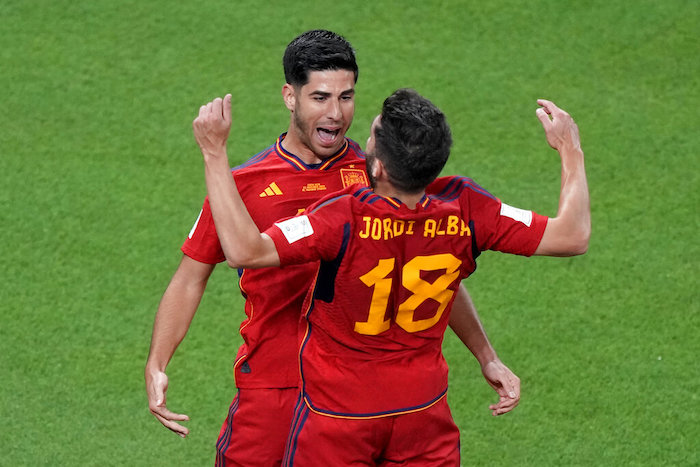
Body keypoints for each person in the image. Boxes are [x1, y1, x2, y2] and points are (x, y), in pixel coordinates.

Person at [146, 31, 521, 466]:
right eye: (320, 97)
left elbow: (432, 269)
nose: (336, 113)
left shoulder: (380, 177)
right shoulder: (241, 186)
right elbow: (190, 276)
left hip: (358, 394)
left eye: (346, 97)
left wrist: (486, 355)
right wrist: (157, 362)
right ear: (290, 97)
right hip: (274, 387)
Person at [194, 88, 589, 465]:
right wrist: (570, 149)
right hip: (423, 417)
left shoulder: (340, 217)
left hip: (338, 419)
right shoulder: (467, 209)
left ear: (379, 166)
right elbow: (571, 234)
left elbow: (247, 251)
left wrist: (214, 152)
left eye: (371, 135)